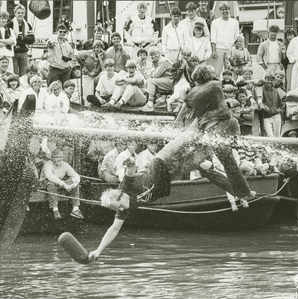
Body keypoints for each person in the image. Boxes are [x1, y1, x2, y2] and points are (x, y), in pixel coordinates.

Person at [88, 66, 256, 261]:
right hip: (173, 174)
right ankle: (242, 193)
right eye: (114, 209)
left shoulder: (125, 187)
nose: (116, 209)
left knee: (185, 143)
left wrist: (130, 162)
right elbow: (113, 229)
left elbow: (132, 169)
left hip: (162, 162)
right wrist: (98, 250)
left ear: (119, 195)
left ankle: (197, 134)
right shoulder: (124, 209)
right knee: (205, 166)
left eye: (114, 205)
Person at [39, 149, 83, 220]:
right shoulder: (48, 164)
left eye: (60, 157)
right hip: (46, 182)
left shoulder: (65, 165)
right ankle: (55, 209)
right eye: (57, 157)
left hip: (59, 182)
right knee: (51, 185)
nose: (59, 159)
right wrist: (64, 185)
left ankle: (75, 209)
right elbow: (50, 176)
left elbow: (76, 176)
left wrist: (73, 184)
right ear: (52, 158)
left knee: (75, 183)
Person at [209, 1, 240, 78]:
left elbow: (237, 37)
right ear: (220, 10)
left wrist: (234, 51)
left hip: (230, 49)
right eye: (223, 9)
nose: (225, 11)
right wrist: (213, 51)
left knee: (231, 72)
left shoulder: (235, 22)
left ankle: (230, 88)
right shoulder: (215, 23)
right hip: (219, 49)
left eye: (226, 9)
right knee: (216, 72)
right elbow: (213, 38)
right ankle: (216, 88)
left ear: (229, 10)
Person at [140, 47, 173, 111]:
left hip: (171, 81)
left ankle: (150, 105)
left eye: (155, 54)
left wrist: (152, 68)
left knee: (151, 81)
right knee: (147, 81)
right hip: (165, 80)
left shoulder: (163, 61)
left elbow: (155, 75)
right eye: (151, 55)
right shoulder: (158, 61)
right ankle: (161, 100)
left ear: (159, 53)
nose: (153, 56)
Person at [7, 4, 35, 76]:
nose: (20, 14)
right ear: (15, 13)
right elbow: (9, 39)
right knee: (14, 74)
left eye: (22, 13)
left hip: (24, 52)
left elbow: (32, 39)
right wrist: (25, 39)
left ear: (24, 14)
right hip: (14, 52)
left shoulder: (28, 25)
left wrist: (21, 38)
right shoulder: (10, 24)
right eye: (18, 13)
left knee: (23, 75)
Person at [78, 40, 106, 105]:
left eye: (100, 47)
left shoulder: (104, 55)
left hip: (97, 75)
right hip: (88, 75)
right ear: (94, 48)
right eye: (97, 47)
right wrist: (85, 69)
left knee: (104, 74)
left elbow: (104, 68)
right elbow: (77, 56)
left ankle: (102, 101)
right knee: (87, 95)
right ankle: (88, 106)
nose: (99, 49)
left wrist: (99, 57)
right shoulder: (87, 54)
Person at [258, 72, 284, 137]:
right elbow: (259, 101)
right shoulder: (261, 89)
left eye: (271, 80)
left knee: (277, 135)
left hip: (276, 115)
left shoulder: (275, 90)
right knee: (270, 135)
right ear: (265, 79)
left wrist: (279, 110)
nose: (269, 81)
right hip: (266, 116)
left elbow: (280, 103)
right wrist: (263, 107)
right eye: (268, 79)